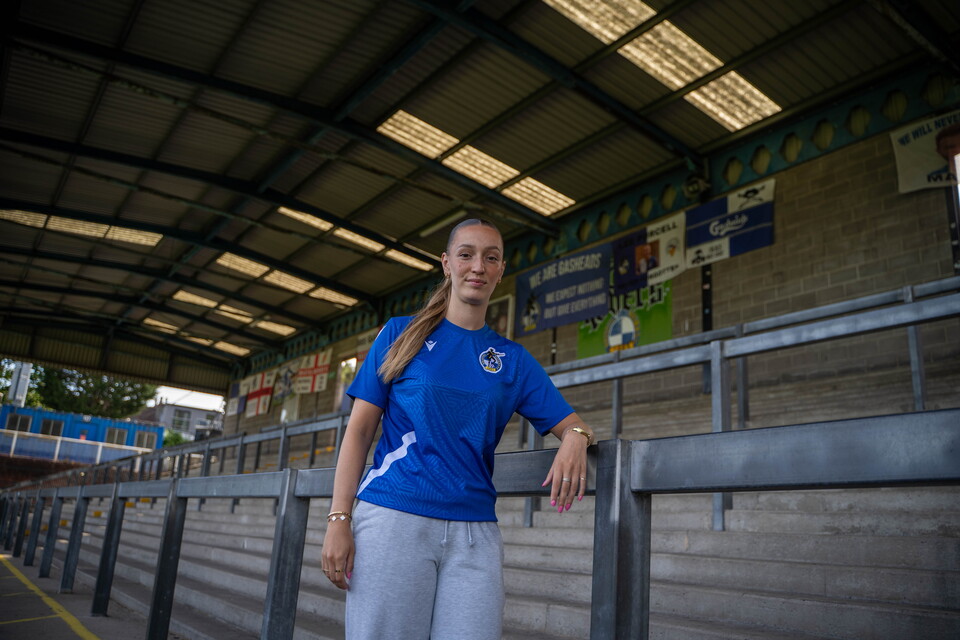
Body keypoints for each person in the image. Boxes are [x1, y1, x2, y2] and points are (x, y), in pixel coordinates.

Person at [320, 218, 594, 640]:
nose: (478, 267)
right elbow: (357, 433)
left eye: (491, 258)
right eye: (466, 255)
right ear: (446, 263)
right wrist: (339, 519)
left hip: (475, 534)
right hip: (394, 520)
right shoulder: (399, 334)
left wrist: (576, 439)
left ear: (501, 270)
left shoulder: (512, 360)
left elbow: (572, 424)